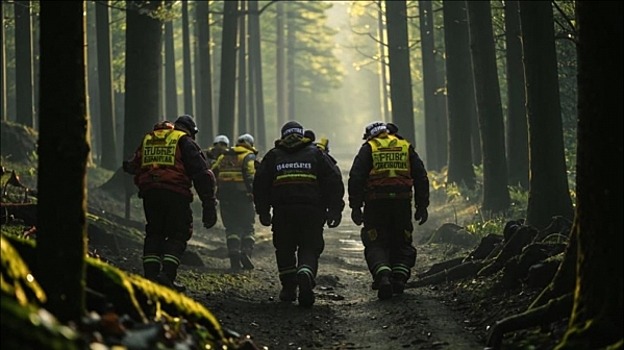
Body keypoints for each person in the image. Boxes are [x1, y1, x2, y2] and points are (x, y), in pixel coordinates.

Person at [253, 121, 345, 307]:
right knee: (310, 246)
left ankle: (288, 288)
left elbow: (260, 184)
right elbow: (333, 179)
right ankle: (305, 272)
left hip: (283, 211)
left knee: (285, 248)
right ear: (301, 135)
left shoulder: (273, 155)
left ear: (283, 135)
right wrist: (335, 209)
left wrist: (263, 211)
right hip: (312, 211)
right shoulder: (317, 154)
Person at [122, 114, 218, 292]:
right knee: (178, 233)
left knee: (154, 232)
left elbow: (134, 165)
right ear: (189, 130)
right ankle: (167, 275)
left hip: (150, 193)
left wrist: (128, 167)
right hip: (176, 193)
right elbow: (202, 174)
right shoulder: (184, 142)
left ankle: (150, 277)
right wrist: (209, 205)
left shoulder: (149, 139)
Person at [347, 121, 429, 300]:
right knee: (402, 241)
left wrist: (355, 207)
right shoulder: (405, 146)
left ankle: (383, 275)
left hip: (375, 204)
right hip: (402, 203)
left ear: (370, 135)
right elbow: (421, 176)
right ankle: (399, 278)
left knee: (375, 241)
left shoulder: (369, 148)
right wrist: (422, 205)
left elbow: (356, 177)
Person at [211, 133, 259, 271]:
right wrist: (253, 193)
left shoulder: (224, 156)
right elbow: (250, 176)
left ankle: (234, 256)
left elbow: (213, 172)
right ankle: (246, 252)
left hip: (225, 197)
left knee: (231, 228)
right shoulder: (248, 156)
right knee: (248, 226)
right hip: (244, 197)